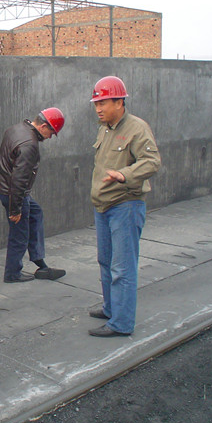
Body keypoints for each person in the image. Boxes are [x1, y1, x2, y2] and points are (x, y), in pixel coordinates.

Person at [88, 76, 161, 337]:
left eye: (103, 103)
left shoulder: (137, 128)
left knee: (122, 267)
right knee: (105, 261)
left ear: (119, 102)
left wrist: (124, 174)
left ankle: (121, 323)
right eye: (96, 104)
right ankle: (111, 309)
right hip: (103, 206)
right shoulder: (104, 128)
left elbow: (152, 162)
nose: (98, 109)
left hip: (125, 206)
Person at [0, 108, 66, 283]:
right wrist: (16, 209)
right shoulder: (30, 144)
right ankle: (12, 273)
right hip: (14, 193)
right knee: (19, 233)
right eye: (51, 133)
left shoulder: (16, 128)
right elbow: (19, 179)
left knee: (36, 213)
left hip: (4, 188)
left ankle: (39, 261)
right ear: (43, 126)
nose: (50, 137)